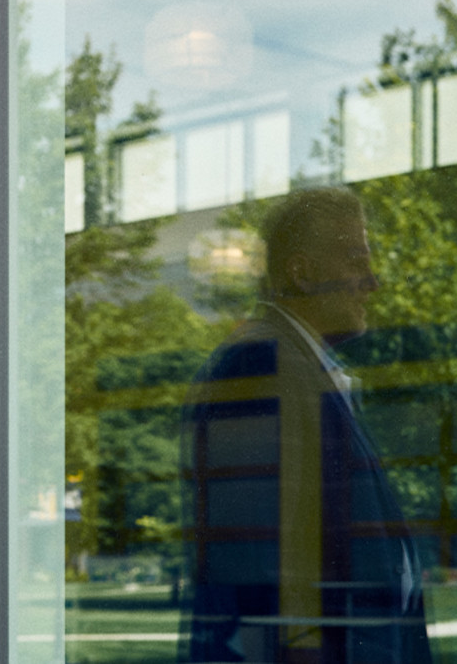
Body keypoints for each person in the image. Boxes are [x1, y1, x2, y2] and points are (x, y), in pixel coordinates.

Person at [180, 187, 429, 663]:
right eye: (356, 260)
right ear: (302, 273)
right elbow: (262, 572)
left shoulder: (297, 367)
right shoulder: (257, 363)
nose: (372, 282)